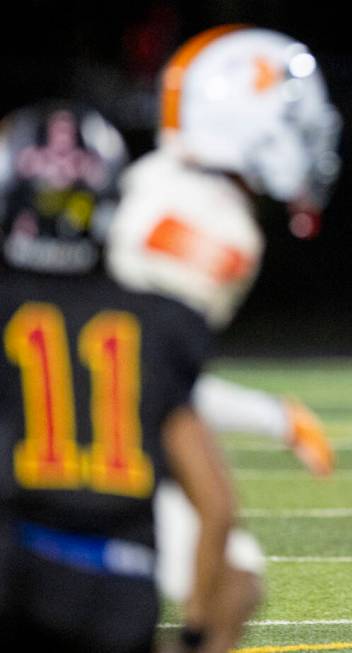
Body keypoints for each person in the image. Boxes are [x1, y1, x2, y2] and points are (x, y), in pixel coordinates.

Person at [107, 24, 342, 650]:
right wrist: (275, 418)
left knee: (234, 585)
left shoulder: (170, 181)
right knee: (217, 582)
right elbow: (142, 371)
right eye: (292, 118)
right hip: (86, 431)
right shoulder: (213, 227)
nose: (311, 134)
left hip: (100, 412)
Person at [0, 102, 235, 652]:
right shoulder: (158, 319)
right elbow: (216, 505)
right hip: (121, 588)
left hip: (18, 568)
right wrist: (197, 630)